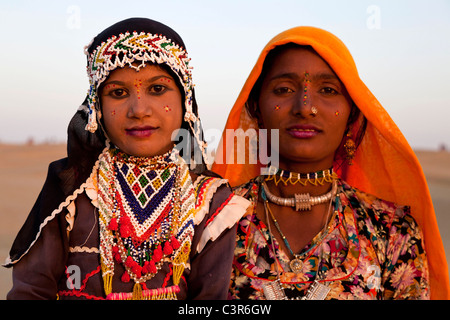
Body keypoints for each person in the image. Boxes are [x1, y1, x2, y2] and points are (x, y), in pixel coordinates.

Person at [4, 17, 249, 300]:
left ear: (186, 102)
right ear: (96, 106)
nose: (139, 109)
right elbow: (31, 291)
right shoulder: (72, 191)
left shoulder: (210, 200)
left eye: (157, 89)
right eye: (118, 93)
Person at [212, 26, 450, 300]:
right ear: (256, 108)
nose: (305, 106)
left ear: (352, 113)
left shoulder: (393, 232)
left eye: (327, 90)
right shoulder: (215, 221)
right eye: (284, 89)